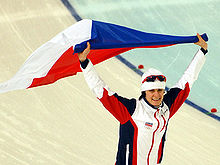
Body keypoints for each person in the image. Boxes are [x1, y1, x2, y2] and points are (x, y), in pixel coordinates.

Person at [78, 33, 208, 165]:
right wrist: (85, 63)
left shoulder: (167, 107)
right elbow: (101, 91)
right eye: (152, 91)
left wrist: (202, 51)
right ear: (144, 91)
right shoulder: (131, 110)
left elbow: (187, 80)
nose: (156, 95)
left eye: (160, 90)